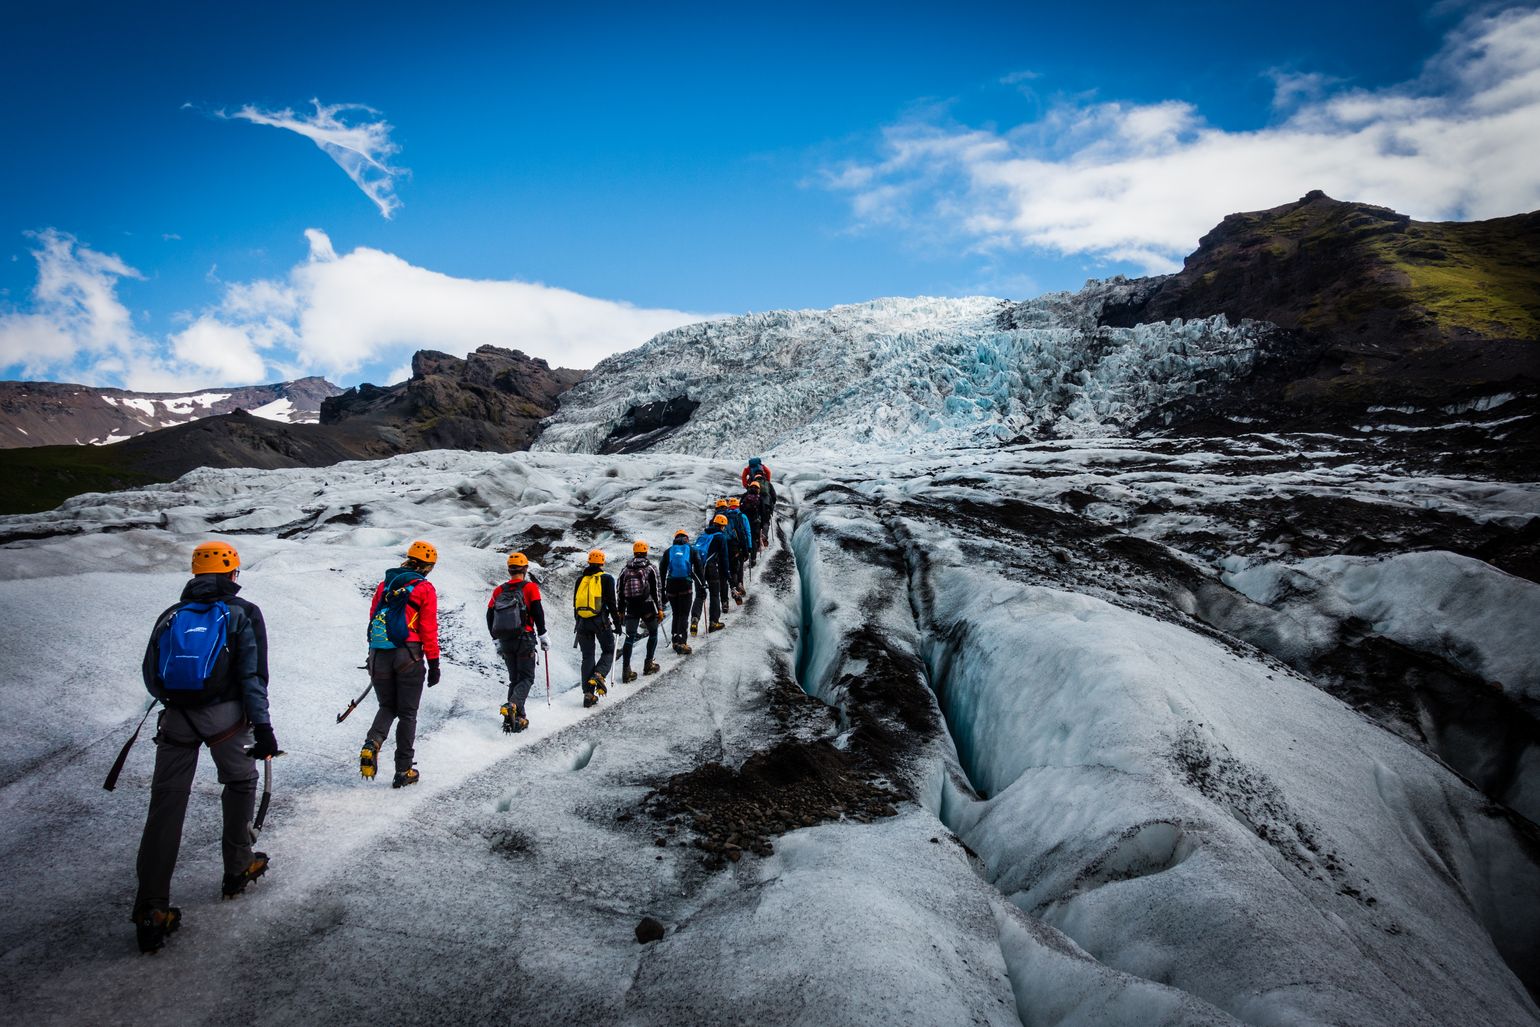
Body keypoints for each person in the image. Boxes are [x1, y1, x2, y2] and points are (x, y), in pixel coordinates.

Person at [133, 541, 278, 954]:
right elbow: (252, 675)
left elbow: (151, 674)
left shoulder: (171, 615)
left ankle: (151, 909)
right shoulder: (242, 612)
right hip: (225, 719)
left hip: (176, 718)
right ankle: (238, 866)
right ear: (232, 573)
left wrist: (177, 702)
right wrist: (263, 726)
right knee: (240, 781)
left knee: (166, 802)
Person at [361, 539, 440, 788]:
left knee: (387, 706)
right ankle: (404, 770)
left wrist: (372, 654)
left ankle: (372, 742)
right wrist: (434, 663)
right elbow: (428, 628)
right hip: (408, 654)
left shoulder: (385, 584)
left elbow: (373, 617)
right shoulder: (424, 588)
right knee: (407, 714)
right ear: (428, 566)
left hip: (378, 653)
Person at [487, 552, 548, 733]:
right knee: (527, 678)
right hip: (524, 638)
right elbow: (537, 611)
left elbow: (489, 615)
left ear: (509, 570)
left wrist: (495, 639)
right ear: (525, 569)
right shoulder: (530, 588)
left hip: (506, 641)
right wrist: (543, 634)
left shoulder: (499, 591)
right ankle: (513, 705)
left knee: (514, 679)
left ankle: (516, 720)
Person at [573, 549, 622, 708]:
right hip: (600, 622)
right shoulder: (606, 578)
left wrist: (578, 623)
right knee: (609, 650)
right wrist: (617, 624)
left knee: (587, 657)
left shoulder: (580, 580)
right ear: (602, 563)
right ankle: (599, 674)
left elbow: (575, 604)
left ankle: (588, 695)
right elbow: (612, 603)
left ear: (589, 562)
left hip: (582, 622)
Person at [618, 541, 664, 682]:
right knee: (653, 632)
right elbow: (656, 590)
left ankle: (626, 670)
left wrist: (621, 611)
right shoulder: (650, 568)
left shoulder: (625, 569)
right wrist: (660, 608)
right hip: (647, 606)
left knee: (630, 637)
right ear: (646, 552)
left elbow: (620, 591)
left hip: (631, 606)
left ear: (634, 553)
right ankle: (648, 664)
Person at [660, 530, 705, 655]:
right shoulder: (692, 550)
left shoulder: (668, 551)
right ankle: (682, 642)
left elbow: (662, 570)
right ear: (687, 539)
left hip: (671, 584)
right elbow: (699, 568)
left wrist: (662, 589)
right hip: (685, 584)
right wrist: (702, 584)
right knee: (684, 614)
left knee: (676, 613)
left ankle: (675, 639)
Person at [690, 515, 733, 635]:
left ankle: (695, 619)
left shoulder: (703, 535)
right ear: (722, 526)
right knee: (714, 594)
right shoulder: (720, 537)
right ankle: (714, 622)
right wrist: (727, 573)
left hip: (698, 569)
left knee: (699, 595)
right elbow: (724, 558)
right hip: (711, 568)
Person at [726, 496, 754, 593]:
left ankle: (734, 585)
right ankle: (740, 583)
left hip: (728, 545)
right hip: (740, 545)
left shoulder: (725, 516)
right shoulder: (742, 516)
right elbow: (747, 532)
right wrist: (749, 546)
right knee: (740, 565)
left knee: (732, 566)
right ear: (738, 506)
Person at [740, 479, 767, 552]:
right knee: (754, 539)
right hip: (755, 522)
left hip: (744, 520)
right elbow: (763, 512)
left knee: (744, 536)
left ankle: (744, 553)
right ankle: (753, 557)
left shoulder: (745, 496)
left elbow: (740, 508)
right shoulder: (760, 498)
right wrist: (762, 525)